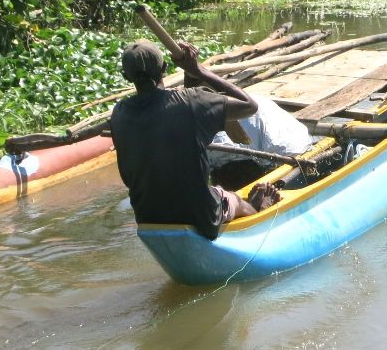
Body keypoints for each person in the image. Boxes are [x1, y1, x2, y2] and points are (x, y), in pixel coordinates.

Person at [110, 39, 281, 240]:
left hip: (147, 217)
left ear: (126, 76)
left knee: (202, 189)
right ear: (164, 68)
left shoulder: (118, 113)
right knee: (234, 199)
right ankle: (257, 209)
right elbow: (249, 105)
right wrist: (198, 70)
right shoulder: (190, 101)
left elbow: (128, 177)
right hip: (201, 217)